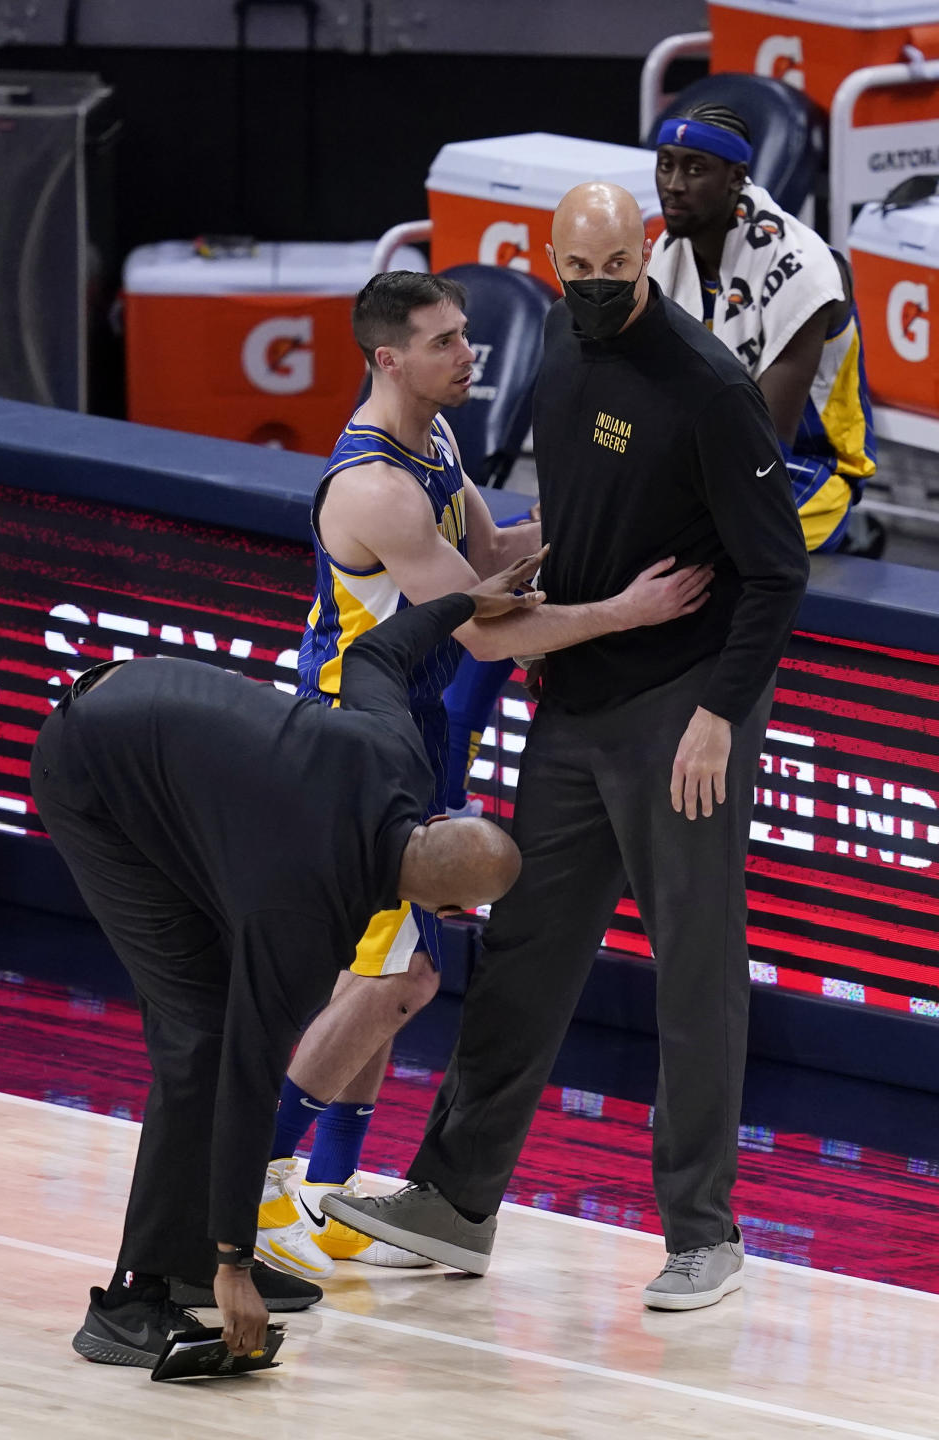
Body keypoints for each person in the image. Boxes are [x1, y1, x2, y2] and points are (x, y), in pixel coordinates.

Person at [321, 182, 810, 1313]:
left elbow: (777, 574)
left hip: (683, 711)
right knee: (526, 952)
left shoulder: (709, 387)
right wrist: (560, 616)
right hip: (577, 706)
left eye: (614, 269)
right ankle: (454, 1200)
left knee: (694, 970)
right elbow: (581, 519)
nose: (593, 289)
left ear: (647, 255)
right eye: (575, 270)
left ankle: (705, 1232)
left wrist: (721, 716)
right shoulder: (556, 339)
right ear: (553, 259)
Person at [258, 269, 715, 1278]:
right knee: (399, 979)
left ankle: (325, 1192)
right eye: (447, 341)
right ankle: (255, 1177)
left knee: (386, 973)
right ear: (390, 360)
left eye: (467, 335)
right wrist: (619, 613)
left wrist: (613, 493)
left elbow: (502, 549)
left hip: (415, 746)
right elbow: (488, 629)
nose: (471, 354)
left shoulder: (439, 444)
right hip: (360, 750)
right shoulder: (373, 486)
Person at [30, 564, 542, 1368]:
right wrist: (239, 1262)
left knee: (212, 1011)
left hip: (145, 697)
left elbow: (376, 655)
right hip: (92, 771)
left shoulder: (397, 755)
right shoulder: (302, 919)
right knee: (200, 1035)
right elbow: (245, 1074)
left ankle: (189, 1253)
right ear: (450, 913)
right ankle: (134, 1301)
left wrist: (466, 605)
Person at [648, 102, 878, 556]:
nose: (673, 186)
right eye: (665, 166)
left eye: (695, 169)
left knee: (680, 546)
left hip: (804, 468)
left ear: (737, 177)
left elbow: (767, 444)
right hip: (701, 457)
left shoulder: (803, 268)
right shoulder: (666, 255)